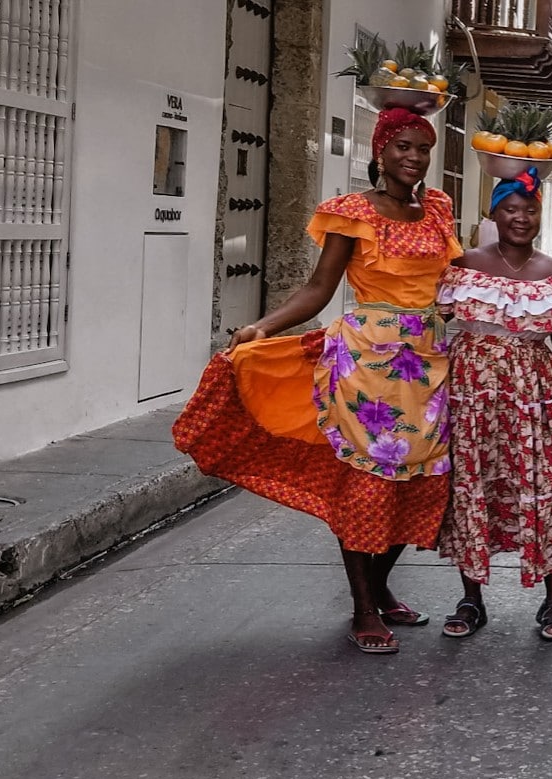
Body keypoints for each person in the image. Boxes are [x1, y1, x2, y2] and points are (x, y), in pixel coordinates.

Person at [172, 107, 461, 656]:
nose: (415, 157)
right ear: (380, 151)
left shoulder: (440, 209)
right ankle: (362, 609)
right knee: (367, 484)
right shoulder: (353, 213)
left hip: (427, 364)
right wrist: (262, 326)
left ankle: (380, 585)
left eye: (423, 148)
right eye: (403, 146)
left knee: (421, 481)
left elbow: (456, 280)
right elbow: (318, 288)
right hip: (367, 365)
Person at [435, 167, 552, 641]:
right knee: (472, 487)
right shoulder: (465, 265)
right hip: (472, 395)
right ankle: (471, 598)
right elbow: (435, 327)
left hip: (535, 393)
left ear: (540, 214)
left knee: (548, 483)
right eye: (510, 209)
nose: (520, 218)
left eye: (529, 209)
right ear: (494, 213)